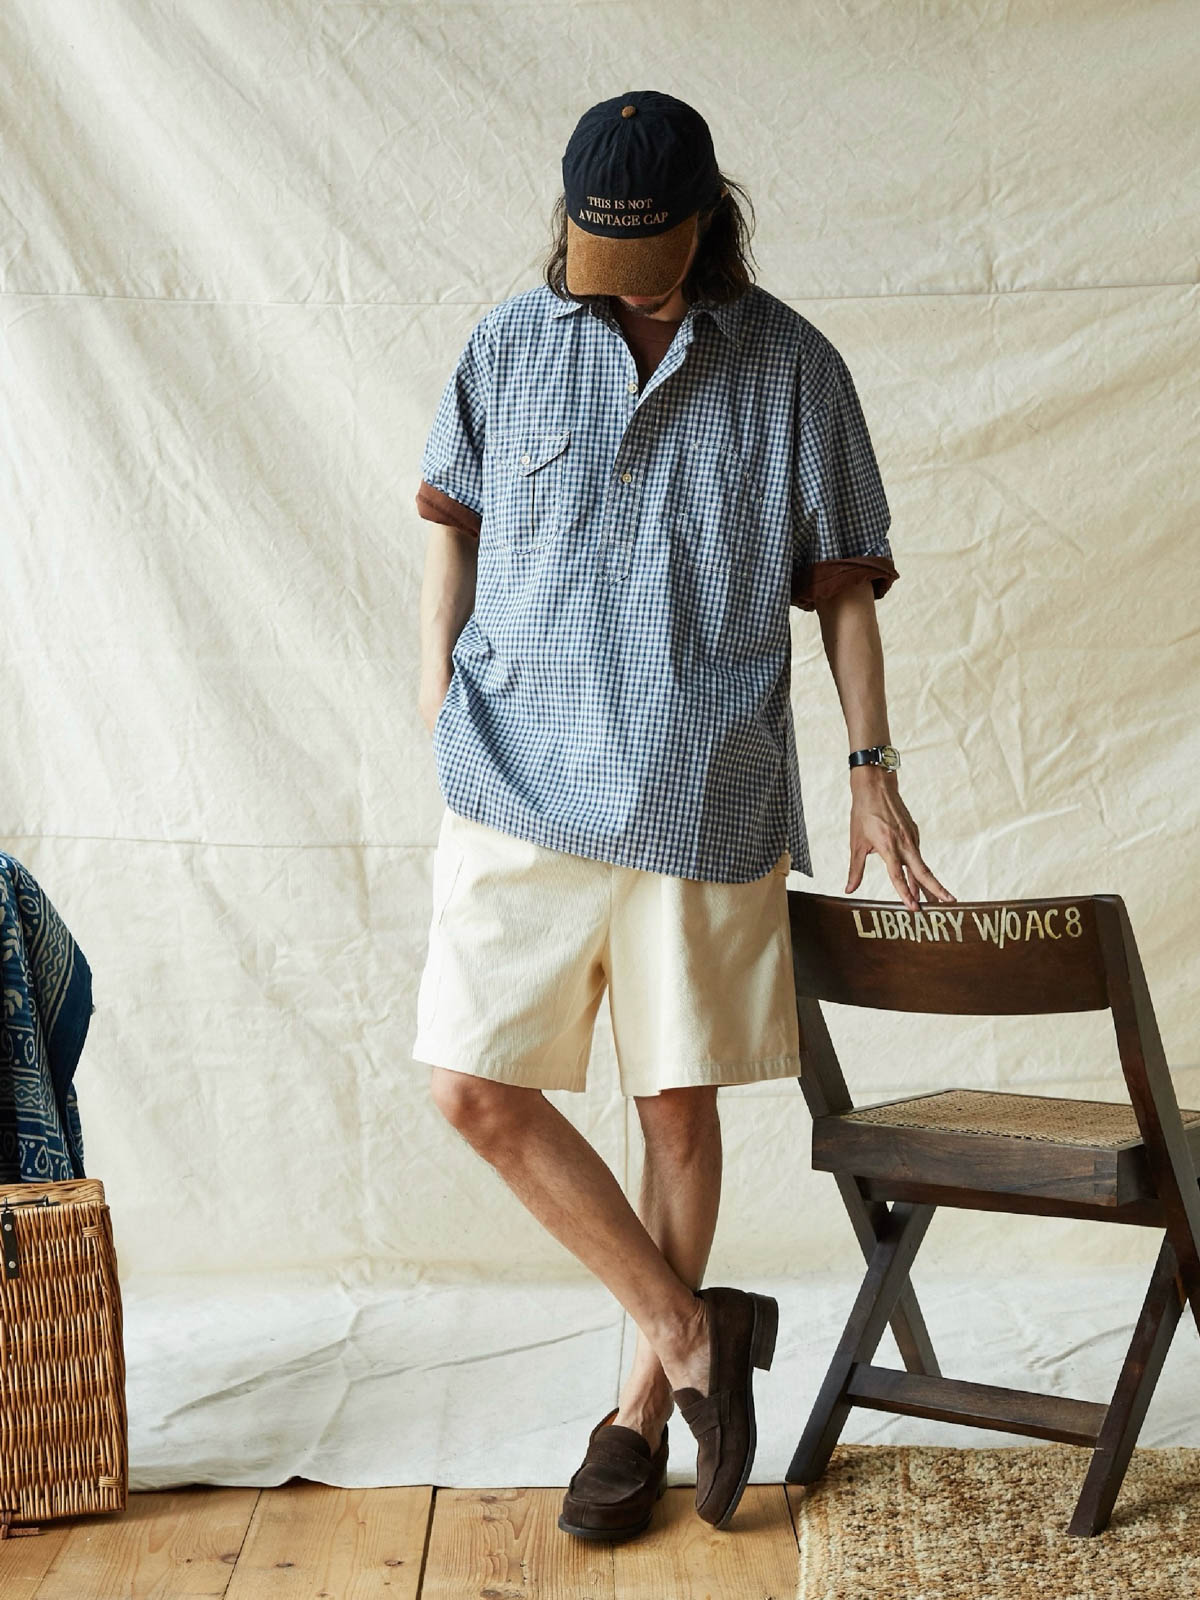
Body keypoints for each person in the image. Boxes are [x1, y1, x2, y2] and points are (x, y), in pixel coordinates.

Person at [410, 89, 957, 1540]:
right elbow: (452, 525)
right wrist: (435, 690)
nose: (625, 284)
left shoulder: (795, 370)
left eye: (650, 259)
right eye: (600, 257)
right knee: (470, 1085)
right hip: (516, 775)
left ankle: (638, 1414)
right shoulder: (510, 344)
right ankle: (695, 1330)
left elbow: (844, 587)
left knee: (675, 1109)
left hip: (701, 787)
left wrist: (872, 767)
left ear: (710, 224)